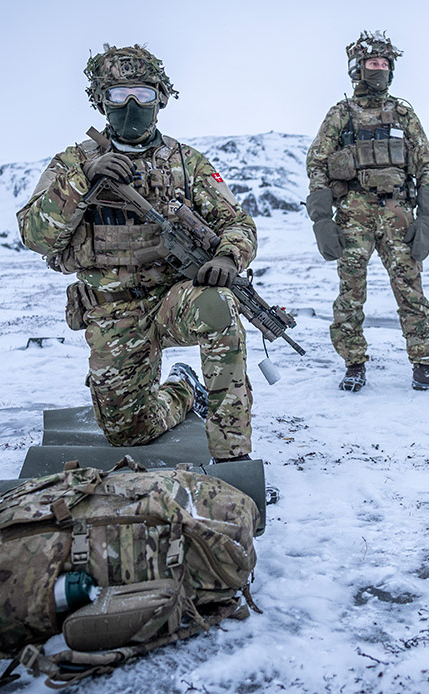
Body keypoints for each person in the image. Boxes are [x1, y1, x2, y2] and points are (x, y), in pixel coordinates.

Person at [18, 44, 255, 463]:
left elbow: (239, 222)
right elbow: (34, 235)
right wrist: (82, 180)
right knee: (128, 434)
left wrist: (228, 257)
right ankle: (183, 388)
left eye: (143, 95)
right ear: (100, 101)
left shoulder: (187, 162)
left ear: (160, 99)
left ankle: (233, 458)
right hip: (112, 311)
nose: (131, 105)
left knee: (219, 307)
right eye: (118, 95)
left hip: (174, 300)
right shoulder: (73, 162)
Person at [305, 31, 429, 394]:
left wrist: (427, 217)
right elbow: (317, 163)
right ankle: (354, 364)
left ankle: (424, 366)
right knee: (351, 291)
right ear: (357, 69)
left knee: (411, 289)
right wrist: (322, 219)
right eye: (373, 63)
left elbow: (426, 164)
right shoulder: (341, 114)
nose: (379, 69)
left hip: (398, 211)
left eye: (384, 64)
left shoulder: (404, 113)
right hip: (354, 211)